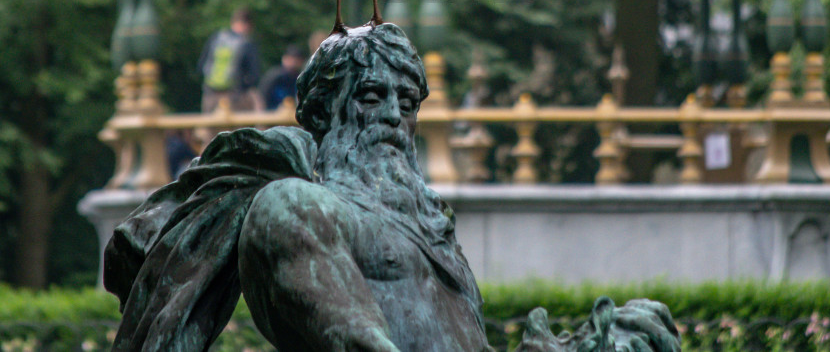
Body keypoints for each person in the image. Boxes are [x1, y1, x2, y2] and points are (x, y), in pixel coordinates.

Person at [105, 25, 679, 352]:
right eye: (371, 97)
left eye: (407, 104)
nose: (391, 118)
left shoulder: (430, 230)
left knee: (635, 328)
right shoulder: (294, 207)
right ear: (324, 113)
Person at [197, 8, 262, 113]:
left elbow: (201, 66)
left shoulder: (216, 38)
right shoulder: (247, 43)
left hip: (210, 94)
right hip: (234, 97)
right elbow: (254, 75)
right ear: (248, 25)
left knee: (210, 126)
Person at [257, 44, 306, 110]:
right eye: (291, 59)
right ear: (284, 59)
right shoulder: (274, 76)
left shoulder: (301, 79)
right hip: (271, 113)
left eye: (296, 60)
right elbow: (261, 96)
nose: (293, 62)